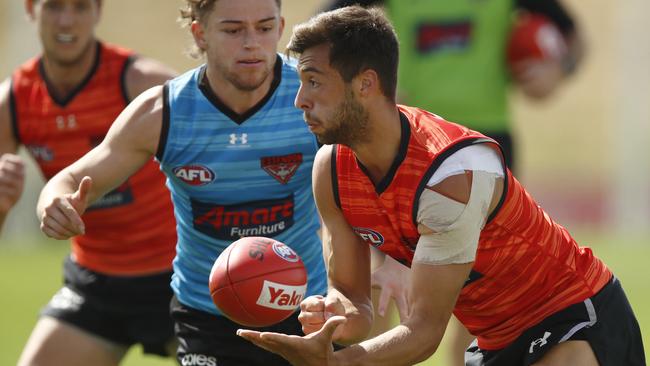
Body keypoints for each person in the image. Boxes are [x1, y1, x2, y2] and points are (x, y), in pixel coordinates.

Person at [237, 6, 646, 366]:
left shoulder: (452, 176)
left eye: (313, 81)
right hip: (496, 340)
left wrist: (335, 363)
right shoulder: (330, 170)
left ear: (365, 84)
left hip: (571, 313)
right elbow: (353, 299)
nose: (299, 100)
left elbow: (423, 333)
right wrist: (330, 317)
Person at [35, 0, 328, 365]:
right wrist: (55, 201)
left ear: (281, 28)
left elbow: (379, 166)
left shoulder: (317, 99)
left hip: (308, 311)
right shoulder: (164, 112)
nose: (252, 42)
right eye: (234, 30)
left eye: (265, 28)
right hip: (207, 317)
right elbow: (73, 179)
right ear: (200, 33)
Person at [325, 1, 585, 363]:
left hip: (484, 144)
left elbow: (571, 35)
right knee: (382, 281)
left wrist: (558, 68)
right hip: (402, 143)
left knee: (481, 280)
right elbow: (325, 35)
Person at [0, 0, 179, 365]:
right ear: (31, 9)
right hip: (95, 285)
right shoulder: (13, 101)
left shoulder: (144, 82)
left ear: (98, 12)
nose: (67, 20)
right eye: (54, 7)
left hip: (180, 279)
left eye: (80, 7)